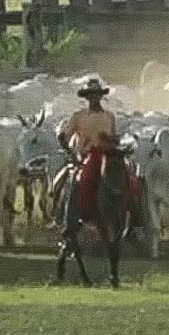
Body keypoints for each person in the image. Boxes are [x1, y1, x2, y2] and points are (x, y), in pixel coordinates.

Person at [57, 78, 140, 243]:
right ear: (86, 97)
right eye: (90, 95)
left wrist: (111, 140)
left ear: (100, 97)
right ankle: (70, 226)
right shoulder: (78, 117)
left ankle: (135, 222)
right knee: (77, 183)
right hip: (87, 156)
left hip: (108, 155)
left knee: (131, 180)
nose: (93, 98)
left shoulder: (109, 116)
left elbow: (114, 138)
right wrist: (72, 153)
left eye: (96, 95)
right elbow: (64, 137)